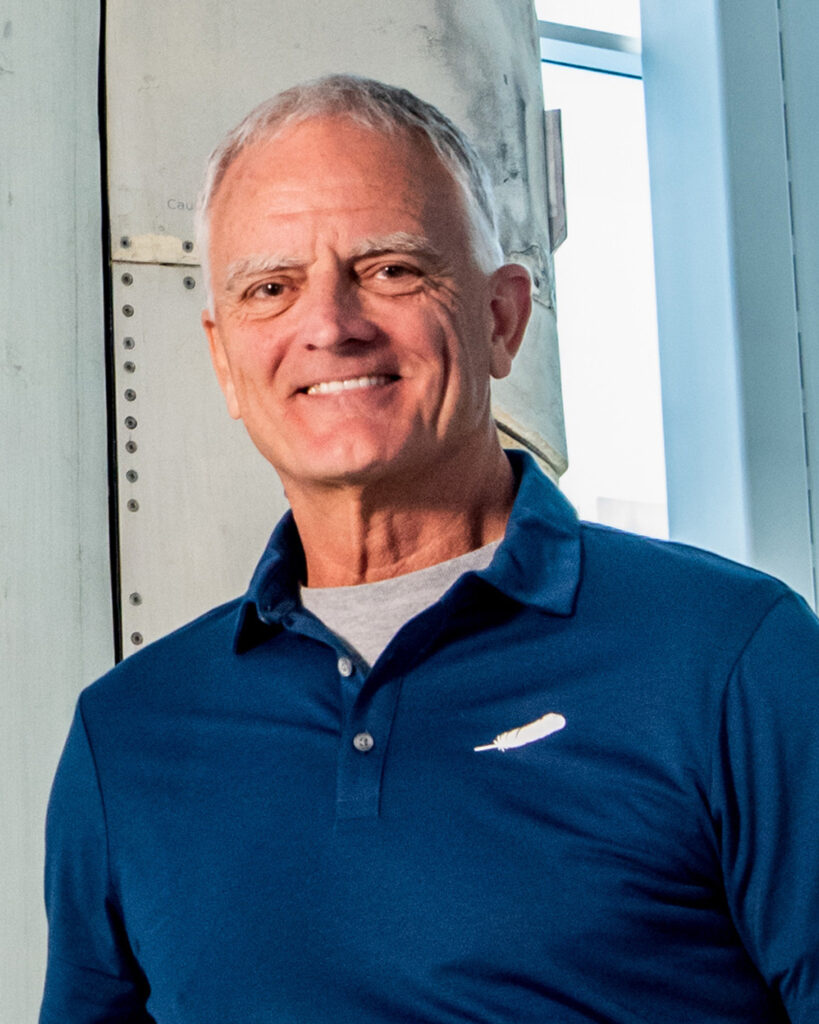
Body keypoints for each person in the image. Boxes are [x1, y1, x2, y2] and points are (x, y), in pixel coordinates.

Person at [41, 74, 819, 1024]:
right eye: (271, 287)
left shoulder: (731, 659)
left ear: (501, 318)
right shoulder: (128, 735)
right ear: (224, 360)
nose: (329, 325)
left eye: (390, 270)